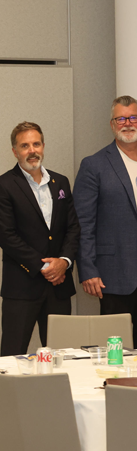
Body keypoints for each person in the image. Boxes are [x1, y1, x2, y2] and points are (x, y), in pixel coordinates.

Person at [73, 95, 137, 348]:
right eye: (120, 118)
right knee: (114, 349)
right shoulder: (94, 165)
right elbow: (83, 223)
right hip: (112, 273)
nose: (127, 123)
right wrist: (88, 270)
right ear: (112, 124)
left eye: (132, 118)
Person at [0, 122, 80, 356]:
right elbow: (6, 235)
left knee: (61, 356)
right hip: (22, 288)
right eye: (25, 146)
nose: (32, 150)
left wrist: (63, 262)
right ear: (15, 151)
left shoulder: (60, 182)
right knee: (11, 357)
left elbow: (73, 228)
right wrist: (46, 266)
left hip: (59, 287)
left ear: (43, 146)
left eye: (36, 144)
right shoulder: (4, 185)